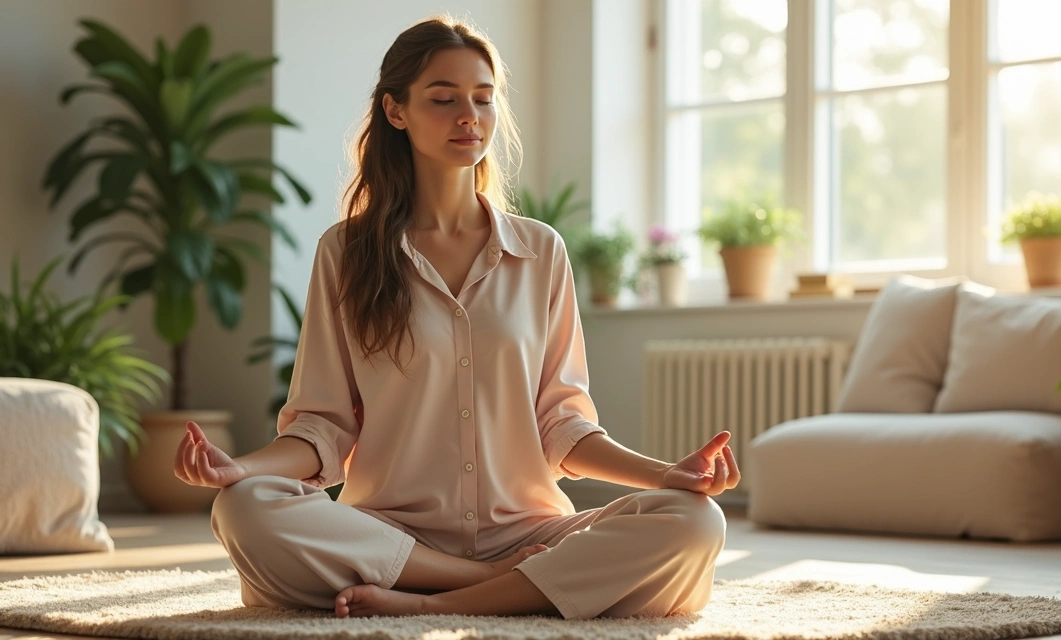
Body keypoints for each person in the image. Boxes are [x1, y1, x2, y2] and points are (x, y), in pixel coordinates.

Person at [173, 15, 740, 620]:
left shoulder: (540, 251)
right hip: (389, 536)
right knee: (242, 507)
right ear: (396, 111)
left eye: (483, 99)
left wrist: (667, 476)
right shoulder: (346, 252)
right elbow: (322, 427)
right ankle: (496, 585)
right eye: (444, 99)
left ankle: (429, 604)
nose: (469, 116)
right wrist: (240, 469)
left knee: (695, 520)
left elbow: (564, 425)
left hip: (532, 533)